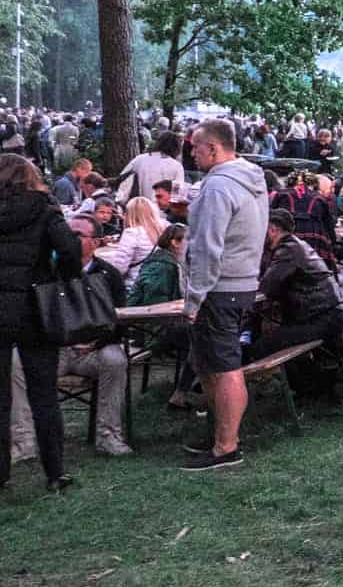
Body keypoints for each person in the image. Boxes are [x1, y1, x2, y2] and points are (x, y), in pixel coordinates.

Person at [180, 119, 270, 471]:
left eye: (196, 148)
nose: (192, 153)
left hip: (220, 287)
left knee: (224, 366)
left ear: (214, 148)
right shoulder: (250, 179)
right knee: (210, 363)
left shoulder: (217, 187)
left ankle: (226, 447)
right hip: (241, 281)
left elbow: (207, 247)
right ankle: (220, 434)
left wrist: (193, 296)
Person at [12, 215, 132, 456]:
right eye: (68, 233)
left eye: (78, 235)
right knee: (16, 362)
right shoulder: (45, 272)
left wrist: (96, 342)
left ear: (96, 242)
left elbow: (121, 321)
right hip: (54, 349)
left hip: (94, 350)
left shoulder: (109, 275)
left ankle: (109, 436)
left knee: (115, 359)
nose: (70, 239)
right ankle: (23, 442)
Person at [1, 155, 83, 491]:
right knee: (44, 395)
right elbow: (70, 252)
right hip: (36, 309)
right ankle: (54, 471)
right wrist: (58, 278)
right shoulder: (46, 208)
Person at [248, 209, 343, 398]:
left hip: (323, 318)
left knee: (263, 346)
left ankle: (307, 390)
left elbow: (267, 287)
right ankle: (316, 388)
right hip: (328, 315)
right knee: (276, 336)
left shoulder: (288, 250)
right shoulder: (296, 246)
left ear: (272, 229)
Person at [129, 223, 197, 409]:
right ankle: (184, 391)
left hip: (160, 324)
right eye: (188, 241)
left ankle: (193, 384)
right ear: (175, 242)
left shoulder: (173, 263)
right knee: (200, 339)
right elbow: (155, 309)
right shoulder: (162, 266)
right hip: (148, 330)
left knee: (203, 336)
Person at [97, 195, 168, 287]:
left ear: (131, 213)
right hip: (163, 283)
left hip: (136, 285)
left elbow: (120, 268)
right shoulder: (165, 227)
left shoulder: (132, 233)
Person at [115, 131, 185, 204]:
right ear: (176, 147)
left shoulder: (140, 159)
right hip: (163, 211)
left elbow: (122, 178)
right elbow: (177, 192)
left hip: (139, 207)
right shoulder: (176, 166)